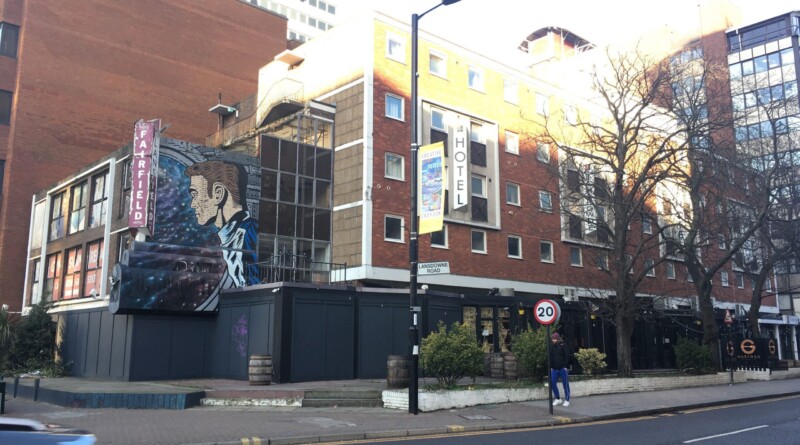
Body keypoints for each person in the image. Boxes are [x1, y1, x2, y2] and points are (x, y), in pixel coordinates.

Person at [185, 160, 258, 310]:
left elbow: (256, 295)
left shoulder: (248, 234)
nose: (192, 204)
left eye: (195, 194)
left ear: (218, 193)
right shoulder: (229, 237)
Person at [549, 332, 572, 407]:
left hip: (563, 368)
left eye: (554, 339)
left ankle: (567, 400)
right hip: (554, 369)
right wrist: (551, 367)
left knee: (565, 385)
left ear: (558, 339)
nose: (553, 340)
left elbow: (567, 356)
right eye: (552, 339)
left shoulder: (563, 345)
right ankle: (558, 398)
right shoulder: (552, 346)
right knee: (552, 383)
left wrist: (565, 367)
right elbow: (550, 357)